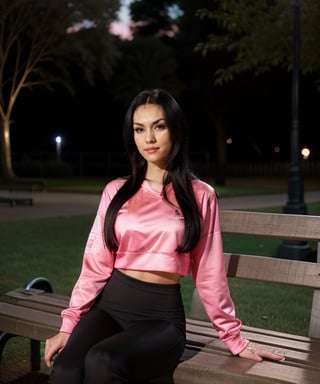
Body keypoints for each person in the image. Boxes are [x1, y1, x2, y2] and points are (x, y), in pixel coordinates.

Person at [45, 88, 285, 383]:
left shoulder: (201, 196)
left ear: (176, 129)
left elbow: (210, 274)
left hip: (160, 319)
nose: (149, 138)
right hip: (109, 308)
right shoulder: (116, 192)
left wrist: (234, 339)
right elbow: (96, 263)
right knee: (66, 370)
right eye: (139, 129)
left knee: (103, 362)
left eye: (158, 126)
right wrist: (69, 325)